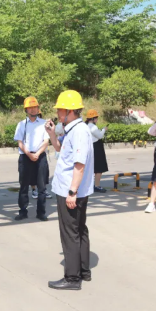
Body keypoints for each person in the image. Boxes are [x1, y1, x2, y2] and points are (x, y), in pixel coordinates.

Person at [44, 90, 94, 290]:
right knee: (79, 229)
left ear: (70, 111)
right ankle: (83, 270)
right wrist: (51, 134)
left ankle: (72, 278)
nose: (58, 113)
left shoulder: (79, 131)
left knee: (70, 232)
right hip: (74, 189)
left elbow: (79, 164)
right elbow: (59, 148)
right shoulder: (72, 130)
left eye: (60, 110)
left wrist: (72, 192)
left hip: (71, 191)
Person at [13, 97, 50, 221]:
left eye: (35, 107)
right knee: (23, 186)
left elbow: (46, 141)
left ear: (38, 108)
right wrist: (29, 154)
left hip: (40, 156)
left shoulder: (44, 124)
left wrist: (37, 154)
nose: (33, 110)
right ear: (26, 110)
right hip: (25, 156)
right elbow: (20, 142)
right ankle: (23, 211)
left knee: (42, 187)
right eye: (30, 108)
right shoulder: (21, 124)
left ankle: (41, 212)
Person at [85, 110, 109, 193]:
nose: (97, 119)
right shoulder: (93, 127)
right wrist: (104, 130)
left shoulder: (86, 126)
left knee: (92, 168)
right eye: (96, 118)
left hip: (91, 147)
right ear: (93, 118)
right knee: (99, 168)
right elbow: (100, 136)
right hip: (97, 148)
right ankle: (97, 185)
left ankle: (90, 185)